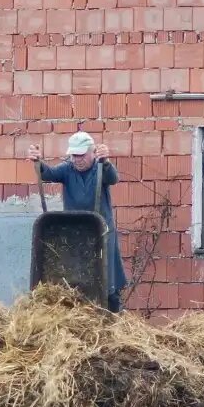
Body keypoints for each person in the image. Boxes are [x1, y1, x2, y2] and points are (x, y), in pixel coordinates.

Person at [27, 131, 127, 313]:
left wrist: (105, 161)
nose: (77, 160)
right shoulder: (67, 169)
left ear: (92, 153)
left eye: (81, 155)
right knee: (77, 276)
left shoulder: (99, 169)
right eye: (74, 155)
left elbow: (113, 178)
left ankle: (113, 314)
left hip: (101, 231)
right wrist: (37, 162)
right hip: (75, 235)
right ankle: (80, 313)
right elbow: (47, 173)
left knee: (107, 277)